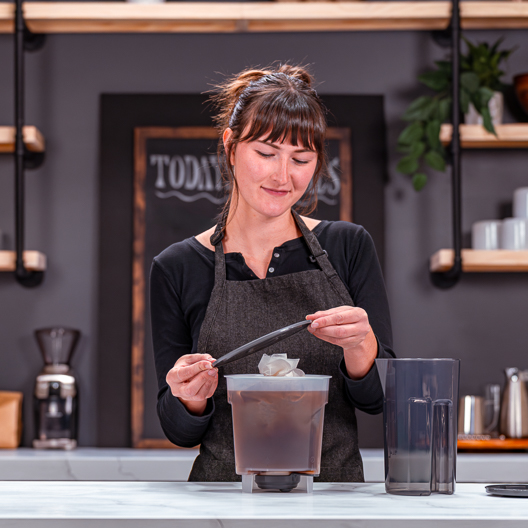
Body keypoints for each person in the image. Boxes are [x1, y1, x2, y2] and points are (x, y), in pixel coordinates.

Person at [150, 64, 395, 483]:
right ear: (230, 146)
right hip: (223, 500)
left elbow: (378, 400)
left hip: (332, 501)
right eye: (266, 153)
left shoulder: (348, 247)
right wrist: (188, 397)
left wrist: (361, 346)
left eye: (301, 159)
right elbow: (178, 430)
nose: (283, 176)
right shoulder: (177, 266)